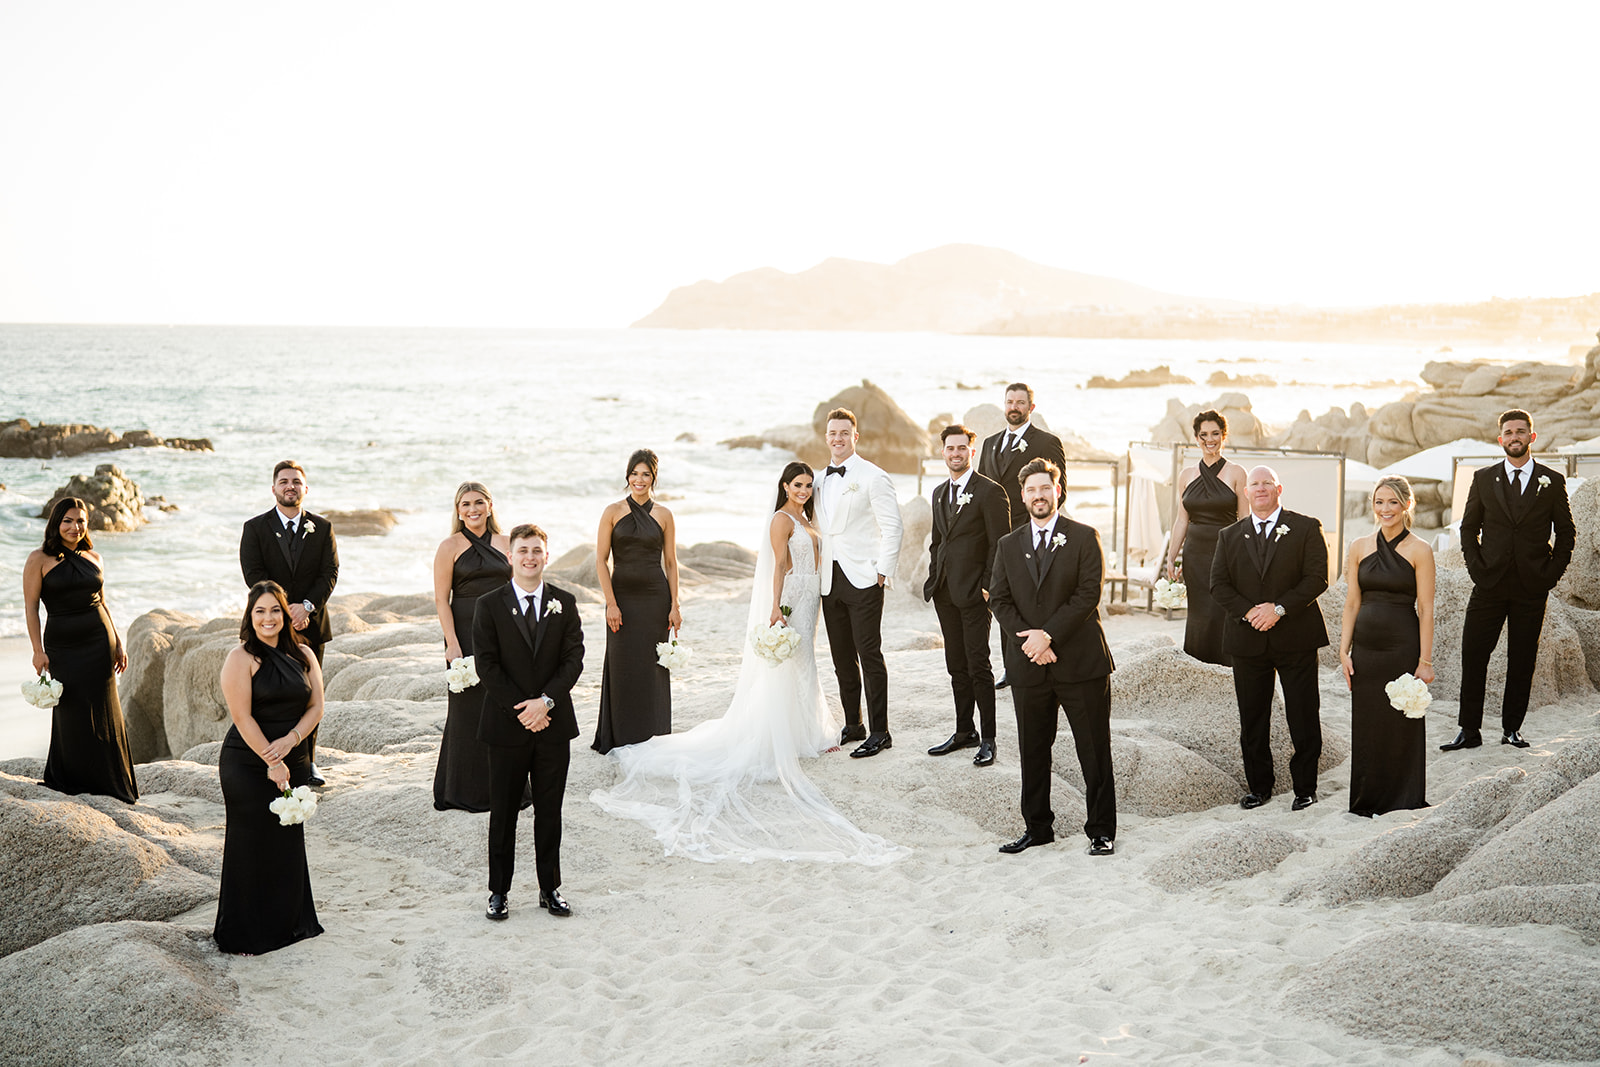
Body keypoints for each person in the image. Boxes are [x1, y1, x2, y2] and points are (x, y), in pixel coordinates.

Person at [591, 463, 906, 865]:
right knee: (793, 663)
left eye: (809, 485)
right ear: (785, 486)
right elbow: (778, 565)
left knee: (805, 662)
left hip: (813, 597)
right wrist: (775, 606)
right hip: (792, 597)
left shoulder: (807, 518)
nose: (805, 490)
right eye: (798, 484)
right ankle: (787, 735)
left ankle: (806, 730)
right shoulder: (780, 519)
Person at [989, 459, 1116, 856]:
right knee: (1032, 750)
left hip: (1080, 663)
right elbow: (1000, 599)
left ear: (1057, 491)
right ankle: (1037, 828)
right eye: (1031, 490)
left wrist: (1048, 635)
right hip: (1029, 664)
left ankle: (1100, 830)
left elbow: (1087, 595)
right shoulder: (1008, 545)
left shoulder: (1083, 536)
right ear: (1022, 495)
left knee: (1093, 750)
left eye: (1045, 488)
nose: (1039, 496)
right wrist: (1031, 642)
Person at [1442, 409, 1576, 752]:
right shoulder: (1484, 478)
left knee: (1522, 659)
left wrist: (1550, 574)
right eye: (1508, 432)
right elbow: (1469, 528)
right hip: (1489, 583)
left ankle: (1512, 729)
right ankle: (1468, 730)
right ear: (1500, 439)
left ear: (1532, 437)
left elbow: (1566, 532)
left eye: (1520, 431)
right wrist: (1476, 568)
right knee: (1473, 654)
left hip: (1532, 587)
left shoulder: (1552, 480)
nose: (1514, 436)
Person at [473, 524, 585, 921]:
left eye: (537, 550)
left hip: (553, 725)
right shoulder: (488, 605)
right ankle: (499, 892)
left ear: (546, 556)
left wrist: (546, 703)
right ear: (510, 556)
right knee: (503, 811)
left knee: (549, 810)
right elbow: (486, 665)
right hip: (507, 725)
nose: (530, 557)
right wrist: (525, 709)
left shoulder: (565, 603)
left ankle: (549, 887)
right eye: (522, 550)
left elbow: (574, 660)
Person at [213, 581, 325, 955]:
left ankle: (288, 925)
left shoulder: (305, 655)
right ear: (250, 616)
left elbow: (316, 708)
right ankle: (246, 935)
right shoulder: (240, 657)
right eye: (259, 611)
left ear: (286, 613)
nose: (268, 618)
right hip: (247, 761)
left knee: (285, 841)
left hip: (290, 755)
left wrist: (292, 742)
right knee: (250, 842)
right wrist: (272, 761)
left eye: (274, 610)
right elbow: (242, 718)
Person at [1210, 466, 1330, 811]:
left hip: (1296, 636)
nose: (1260, 489)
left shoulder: (1306, 527)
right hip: (1247, 640)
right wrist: (1251, 613)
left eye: (1266, 483)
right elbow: (1218, 585)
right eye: (1254, 484)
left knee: (1303, 714)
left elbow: (1317, 578)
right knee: (1252, 718)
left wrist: (1277, 609)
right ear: (1245, 493)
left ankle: (1305, 787)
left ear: (1278, 488)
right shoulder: (1229, 535)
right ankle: (1259, 787)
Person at [23, 498, 138, 803]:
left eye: (81, 521)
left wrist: (118, 641)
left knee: (104, 708)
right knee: (70, 709)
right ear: (56, 524)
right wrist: (37, 650)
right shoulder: (39, 559)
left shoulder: (95, 557)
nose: (75, 527)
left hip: (99, 640)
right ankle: (71, 780)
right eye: (68, 521)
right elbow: (31, 608)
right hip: (62, 644)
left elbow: (102, 601)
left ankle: (109, 781)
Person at [1340, 476, 1435, 816]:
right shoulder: (1359, 546)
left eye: (1393, 502)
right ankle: (1367, 797)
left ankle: (1403, 797)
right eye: (1379, 502)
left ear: (1407, 504)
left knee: (1401, 720)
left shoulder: (1420, 550)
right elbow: (1351, 603)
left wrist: (1425, 660)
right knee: (1367, 723)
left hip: (1402, 647)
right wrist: (1343, 651)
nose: (1385, 509)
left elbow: (1425, 608)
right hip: (1365, 650)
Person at [240, 460, 338, 785]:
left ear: (305, 489)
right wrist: (283, 610)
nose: (290, 486)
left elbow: (330, 573)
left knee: (309, 695)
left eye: (296, 482)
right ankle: (268, 758)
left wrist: (306, 607)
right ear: (273, 489)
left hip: (311, 626)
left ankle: (308, 762)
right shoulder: (254, 528)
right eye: (284, 481)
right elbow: (253, 575)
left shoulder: (322, 528)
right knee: (269, 694)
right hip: (269, 626)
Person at [816, 408, 903, 758]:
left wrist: (884, 569)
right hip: (828, 579)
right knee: (840, 657)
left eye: (844, 432)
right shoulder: (819, 478)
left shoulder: (874, 476)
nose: (838, 438)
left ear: (856, 437)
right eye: (832, 433)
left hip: (864, 577)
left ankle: (880, 731)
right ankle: (854, 723)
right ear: (826, 437)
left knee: (869, 654)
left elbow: (893, 525)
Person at [923, 424, 1009, 767]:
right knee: (955, 665)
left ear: (971, 451)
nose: (955, 454)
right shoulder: (939, 493)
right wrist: (934, 575)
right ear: (942, 452)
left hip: (975, 594)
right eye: (950, 448)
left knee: (978, 666)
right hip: (945, 592)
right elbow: (937, 542)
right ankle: (964, 731)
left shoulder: (990, 492)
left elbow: (1000, 545)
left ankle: (988, 738)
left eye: (962, 448)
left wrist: (988, 587)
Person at [431, 481, 515, 812]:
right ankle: (464, 790)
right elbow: (441, 599)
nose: (472, 509)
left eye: (478, 502)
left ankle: (504, 788)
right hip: (464, 634)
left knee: (502, 707)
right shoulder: (449, 547)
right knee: (466, 712)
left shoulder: (508, 542)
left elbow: (520, 590)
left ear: (490, 506)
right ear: (457, 510)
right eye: (465, 504)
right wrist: (452, 644)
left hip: (502, 633)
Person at [592, 449, 681, 754]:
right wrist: (611, 603)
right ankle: (620, 735)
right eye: (634, 473)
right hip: (622, 598)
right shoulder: (612, 511)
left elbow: (671, 562)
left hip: (656, 599)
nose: (639, 479)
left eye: (645, 474)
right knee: (621, 663)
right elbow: (601, 561)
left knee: (653, 665)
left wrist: (675, 605)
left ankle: (653, 731)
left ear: (653, 477)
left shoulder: (665, 515)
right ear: (627, 476)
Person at [978, 382, 1066, 689]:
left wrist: (1036, 529)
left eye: (1020, 402)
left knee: (1033, 600)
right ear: (1004, 405)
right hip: (996, 542)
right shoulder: (989, 444)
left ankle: (1038, 657)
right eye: (1010, 401)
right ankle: (1010, 666)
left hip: (1029, 537)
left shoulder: (1046, 442)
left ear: (1031, 407)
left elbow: (1059, 492)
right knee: (1003, 600)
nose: (1014, 407)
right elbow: (980, 494)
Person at [1165, 410, 1248, 665]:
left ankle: (1226, 665)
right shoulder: (1186, 475)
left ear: (1223, 436)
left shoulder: (1237, 472)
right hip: (1194, 555)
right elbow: (1182, 519)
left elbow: (1244, 520)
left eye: (1215, 434)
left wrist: (1245, 558)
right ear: (1196, 438)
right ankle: (1197, 664)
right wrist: (1171, 558)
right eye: (1204, 435)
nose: (1209, 440)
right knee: (1199, 612)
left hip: (1225, 552)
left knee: (1222, 609)